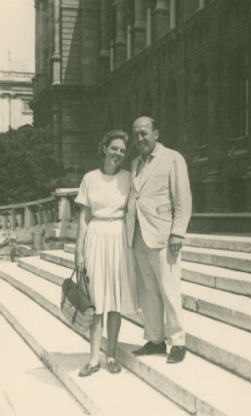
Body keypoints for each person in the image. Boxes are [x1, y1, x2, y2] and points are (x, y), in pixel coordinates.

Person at [126, 117, 192, 364]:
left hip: (164, 236)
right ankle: (155, 339)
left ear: (156, 133)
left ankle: (178, 343)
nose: (140, 139)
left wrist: (178, 232)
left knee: (169, 290)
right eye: (136, 135)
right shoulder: (134, 164)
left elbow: (182, 198)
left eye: (144, 133)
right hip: (140, 236)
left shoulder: (173, 158)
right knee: (148, 292)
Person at [75, 130, 138, 377]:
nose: (118, 154)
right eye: (114, 148)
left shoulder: (128, 177)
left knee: (114, 302)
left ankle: (110, 355)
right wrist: (79, 252)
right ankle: (93, 359)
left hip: (120, 238)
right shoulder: (89, 178)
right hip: (96, 236)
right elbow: (83, 218)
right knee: (97, 301)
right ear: (104, 148)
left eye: (122, 151)